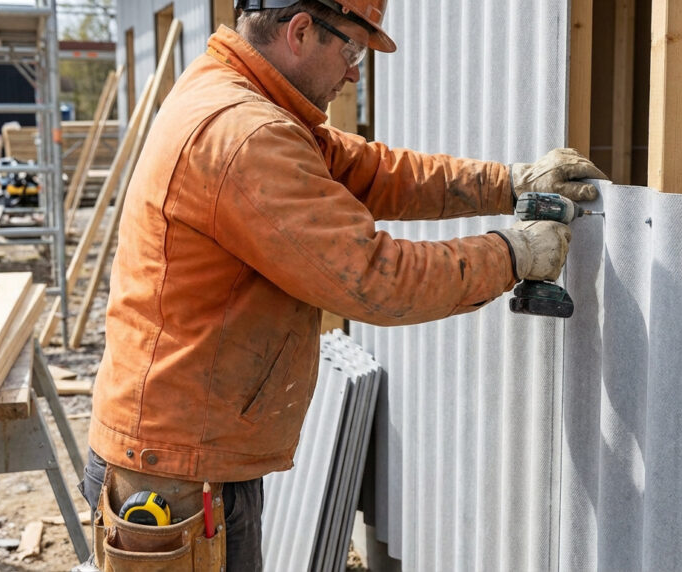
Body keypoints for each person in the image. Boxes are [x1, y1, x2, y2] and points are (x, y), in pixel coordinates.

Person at [81, 0, 606, 569]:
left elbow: (374, 172)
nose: (355, 72)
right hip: (176, 478)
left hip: (178, 453)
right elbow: (373, 279)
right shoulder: (245, 134)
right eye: (352, 49)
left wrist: (508, 183)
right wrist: (512, 253)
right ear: (301, 30)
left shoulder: (236, 96)